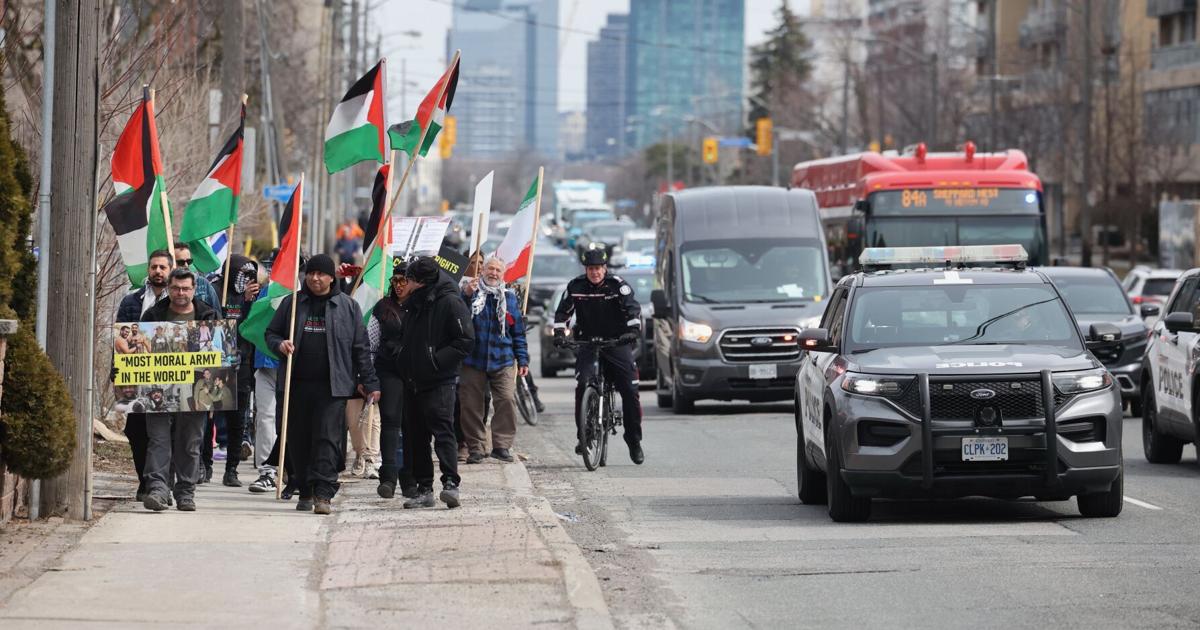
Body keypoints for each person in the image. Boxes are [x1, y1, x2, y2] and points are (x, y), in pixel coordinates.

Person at [265, 254, 380, 515]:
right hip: (296, 385)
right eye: (311, 273)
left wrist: (370, 381)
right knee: (299, 439)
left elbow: (360, 347)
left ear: (332, 277)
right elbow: (271, 334)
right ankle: (304, 489)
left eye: (321, 274)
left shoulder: (348, 307)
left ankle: (324, 492)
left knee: (327, 439)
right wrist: (279, 345)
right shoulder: (292, 304)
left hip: (333, 387)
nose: (315, 278)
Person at [395, 256, 474, 509]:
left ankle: (451, 484)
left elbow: (465, 341)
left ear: (423, 282)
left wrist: (436, 361)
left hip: (440, 380)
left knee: (443, 433)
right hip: (412, 379)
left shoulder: (450, 301)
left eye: (412, 281)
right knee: (416, 437)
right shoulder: (414, 303)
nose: (407, 284)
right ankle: (423, 488)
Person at [553, 248, 645, 465]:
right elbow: (562, 312)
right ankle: (584, 436)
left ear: (605, 268)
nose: (595, 273)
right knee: (583, 384)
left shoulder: (618, 286)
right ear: (586, 269)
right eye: (591, 269)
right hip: (588, 342)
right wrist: (559, 333)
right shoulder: (575, 286)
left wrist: (632, 331)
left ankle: (633, 440)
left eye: (598, 268)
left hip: (616, 342)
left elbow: (632, 309)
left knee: (630, 391)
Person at [139, 268, 221, 511]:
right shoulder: (153, 315)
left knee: (190, 441)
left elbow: (221, 356)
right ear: (168, 288)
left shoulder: (208, 314)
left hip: (196, 390)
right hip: (157, 387)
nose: (180, 293)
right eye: (175, 288)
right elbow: (137, 351)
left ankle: (185, 492)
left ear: (194, 289)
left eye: (186, 288)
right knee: (158, 439)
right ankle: (158, 489)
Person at [458, 256, 529, 464]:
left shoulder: (509, 297)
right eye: (490, 269)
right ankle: (476, 447)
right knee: (471, 405)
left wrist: (522, 359)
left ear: (503, 274)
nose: (494, 273)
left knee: (506, 399)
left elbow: (518, 332)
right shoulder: (470, 292)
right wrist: (465, 296)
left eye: (498, 270)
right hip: (473, 359)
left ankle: (502, 445)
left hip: (503, 359)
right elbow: (457, 317)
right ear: (482, 271)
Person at [368, 260, 418, 499]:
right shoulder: (382, 308)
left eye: (404, 281)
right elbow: (370, 344)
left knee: (412, 425)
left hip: (415, 372)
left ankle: (410, 478)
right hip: (388, 370)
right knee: (390, 422)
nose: (399, 286)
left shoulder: (422, 307)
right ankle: (388, 476)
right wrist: (368, 378)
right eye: (395, 281)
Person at [172, 242, 223, 313]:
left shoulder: (203, 283)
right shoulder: (163, 285)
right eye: (181, 262)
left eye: (189, 261)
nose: (186, 265)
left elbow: (217, 314)